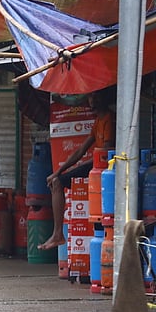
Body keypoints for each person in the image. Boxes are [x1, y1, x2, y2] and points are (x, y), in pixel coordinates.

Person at [38, 88, 115, 250]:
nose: (92, 101)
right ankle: (57, 234)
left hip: (107, 167)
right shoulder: (98, 122)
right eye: (90, 97)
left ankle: (58, 234)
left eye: (95, 97)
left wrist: (86, 163)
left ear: (104, 98)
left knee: (59, 181)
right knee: (57, 181)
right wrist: (57, 172)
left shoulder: (109, 119)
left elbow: (107, 150)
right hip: (96, 164)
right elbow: (80, 151)